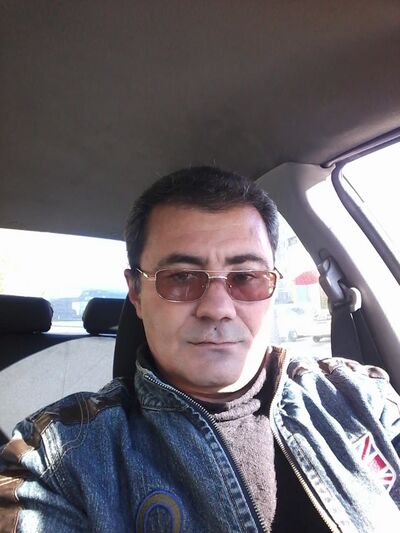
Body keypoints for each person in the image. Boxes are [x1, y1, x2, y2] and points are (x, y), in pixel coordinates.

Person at [1, 166, 400, 532]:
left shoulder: (359, 396)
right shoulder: (57, 459)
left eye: (246, 277)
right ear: (136, 293)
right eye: (180, 278)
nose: (218, 308)